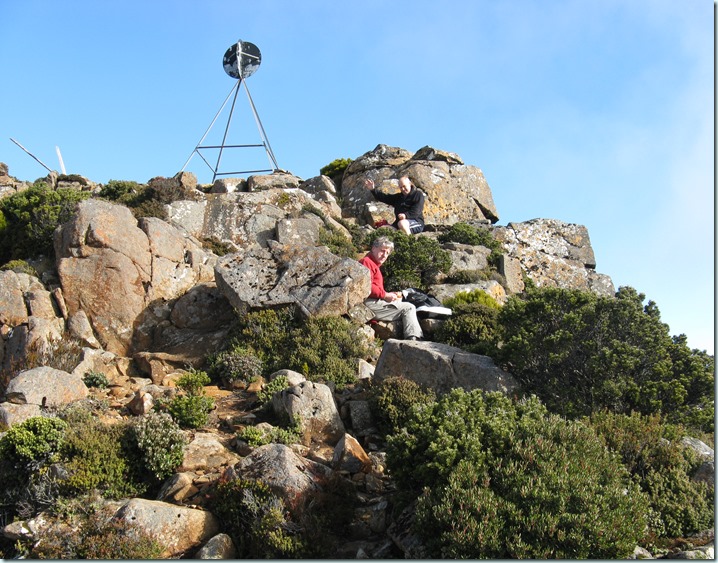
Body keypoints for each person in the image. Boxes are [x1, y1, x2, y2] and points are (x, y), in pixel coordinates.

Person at [358, 236, 423, 340]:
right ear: (373, 248)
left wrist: (389, 294)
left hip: (373, 302)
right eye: (382, 251)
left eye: (387, 253)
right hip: (368, 303)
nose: (384, 255)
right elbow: (366, 286)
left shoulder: (373, 265)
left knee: (402, 301)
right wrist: (385, 295)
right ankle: (413, 340)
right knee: (408, 308)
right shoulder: (367, 262)